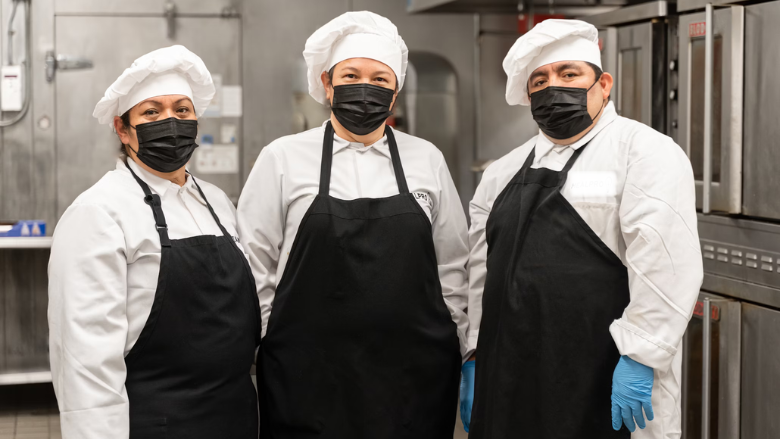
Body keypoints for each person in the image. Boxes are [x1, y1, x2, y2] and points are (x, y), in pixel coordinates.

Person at [459, 19, 703, 439]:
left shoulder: (644, 153)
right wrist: (475, 352)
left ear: (603, 84)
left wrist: (641, 356)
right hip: (510, 379)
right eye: (540, 81)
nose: (554, 88)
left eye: (569, 74)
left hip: (604, 377)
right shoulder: (501, 172)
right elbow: (481, 274)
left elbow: (665, 263)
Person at [237, 11, 470, 439]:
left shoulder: (427, 159)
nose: (366, 89)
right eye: (351, 75)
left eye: (380, 80)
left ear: (395, 91)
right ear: (327, 84)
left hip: (413, 370)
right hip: (307, 368)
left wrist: (453, 340)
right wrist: (275, 335)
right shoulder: (283, 157)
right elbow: (254, 260)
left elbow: (452, 264)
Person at [48, 45, 261, 439]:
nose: (171, 121)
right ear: (123, 129)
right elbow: (85, 358)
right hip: (156, 423)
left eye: (182, 110)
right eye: (152, 112)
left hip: (235, 416)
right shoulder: (98, 212)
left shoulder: (216, 202)